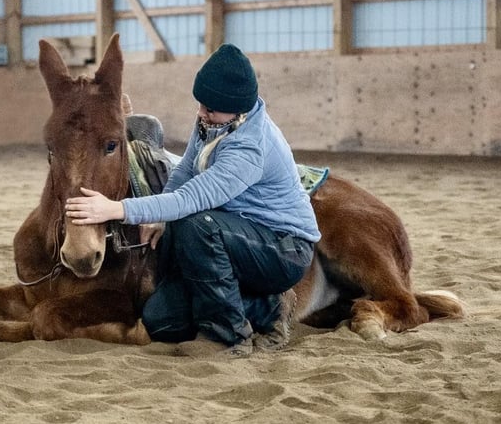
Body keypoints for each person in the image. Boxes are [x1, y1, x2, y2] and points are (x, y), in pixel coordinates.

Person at [65, 43, 321, 356]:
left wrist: (118, 209)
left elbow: (192, 196)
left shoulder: (250, 148)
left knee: (199, 224)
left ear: (237, 109)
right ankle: (264, 305)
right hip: (240, 236)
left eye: (210, 109)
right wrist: (159, 215)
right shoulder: (214, 122)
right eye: (201, 105)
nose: (201, 113)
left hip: (282, 248)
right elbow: (185, 170)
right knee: (160, 320)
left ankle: (229, 336)